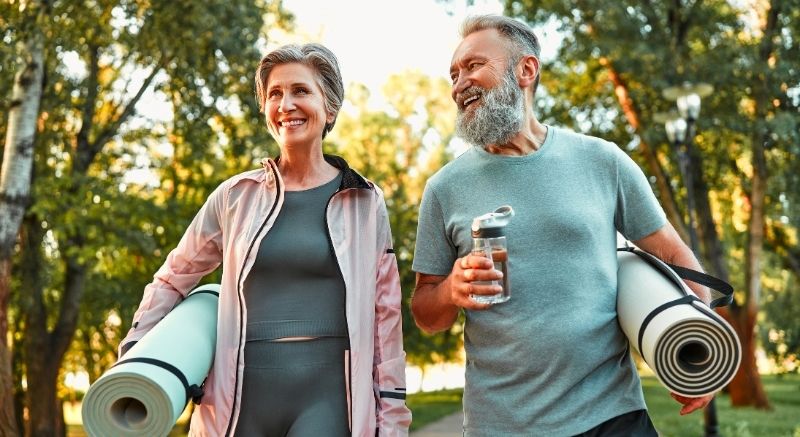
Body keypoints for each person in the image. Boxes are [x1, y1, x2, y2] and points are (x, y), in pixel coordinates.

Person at [410, 14, 714, 436]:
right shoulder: (444, 188)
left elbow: (673, 253)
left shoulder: (603, 160)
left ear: (526, 70)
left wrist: (702, 345)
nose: (460, 83)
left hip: (612, 414)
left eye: (474, 65)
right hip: (502, 424)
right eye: (454, 74)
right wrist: (450, 290)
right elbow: (427, 313)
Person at [119, 43, 411, 436]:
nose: (286, 104)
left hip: (328, 399)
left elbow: (385, 314)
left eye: (300, 91)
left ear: (330, 108)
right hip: (239, 400)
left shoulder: (364, 201)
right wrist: (134, 355)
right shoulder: (234, 197)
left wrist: (392, 414)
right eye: (275, 94)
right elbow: (173, 278)